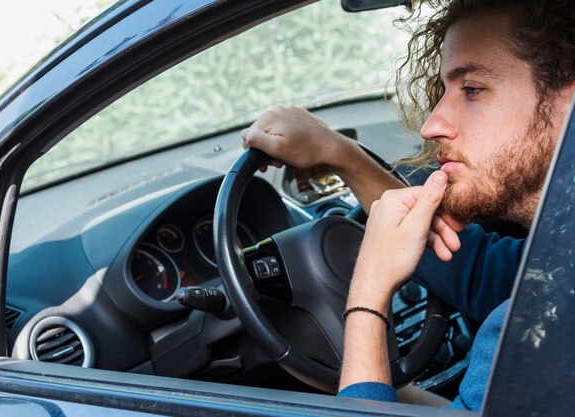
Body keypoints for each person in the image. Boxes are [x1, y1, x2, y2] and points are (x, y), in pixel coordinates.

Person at [241, 0, 575, 411]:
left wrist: (367, 295)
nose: (431, 125)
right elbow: (487, 275)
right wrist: (340, 154)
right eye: (445, 91)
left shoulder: (553, 318)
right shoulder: (559, 258)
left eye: (472, 89)